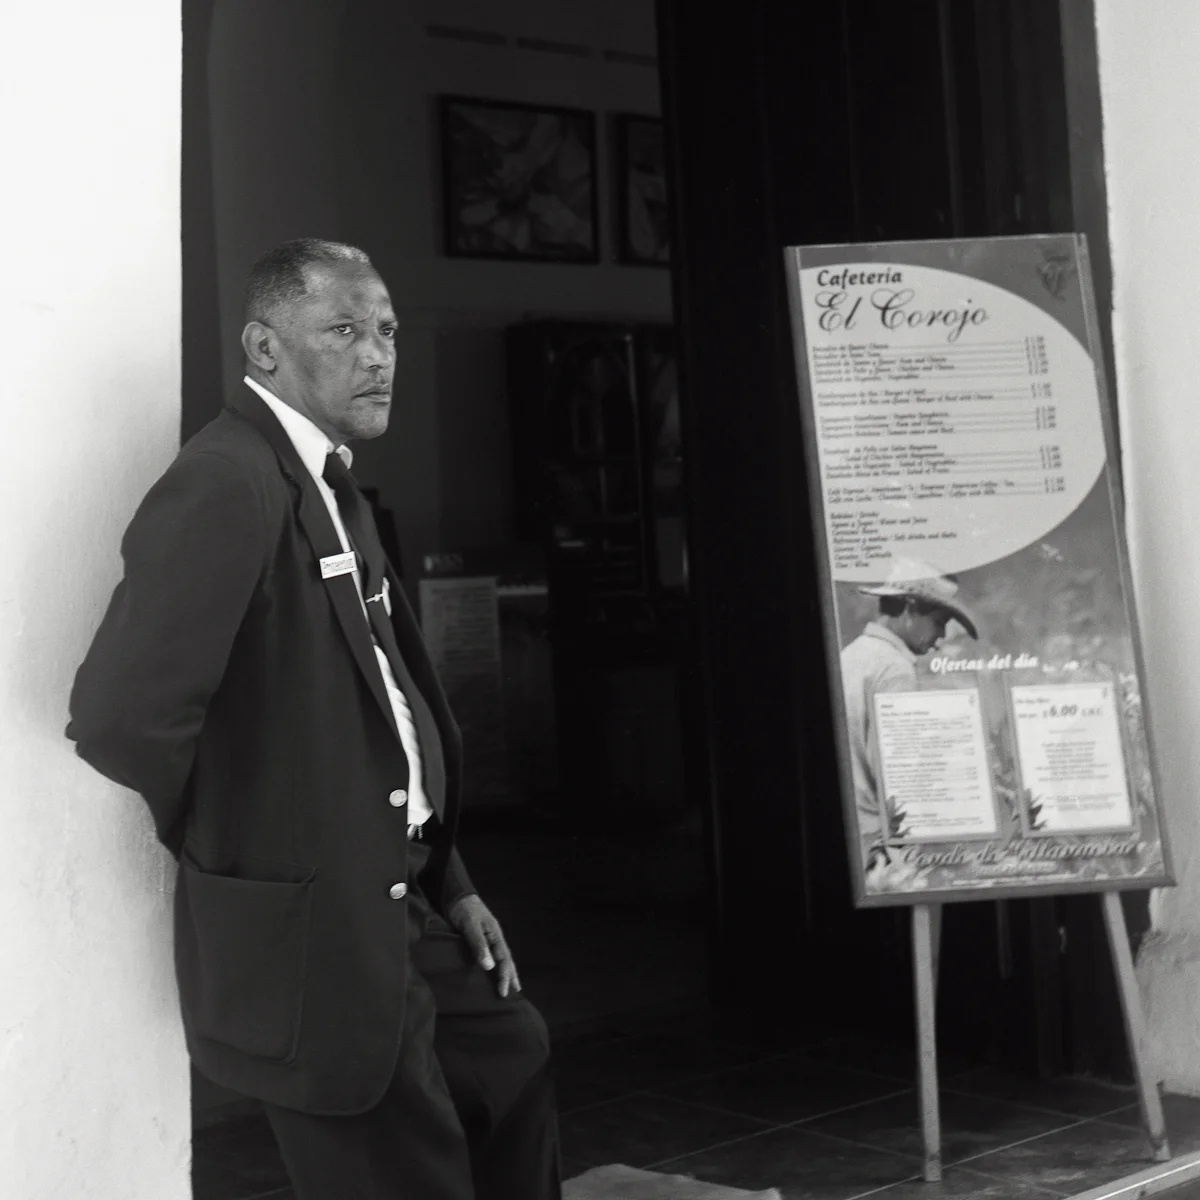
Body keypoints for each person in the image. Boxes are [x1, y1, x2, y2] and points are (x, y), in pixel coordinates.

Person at [66, 239, 560, 1200]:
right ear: (264, 348)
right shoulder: (226, 481)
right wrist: (251, 845)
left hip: (404, 901)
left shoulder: (333, 485)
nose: (378, 354)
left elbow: (386, 703)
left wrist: (445, 873)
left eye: (385, 331)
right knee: (394, 1165)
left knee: (512, 1061)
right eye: (343, 330)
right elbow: (120, 717)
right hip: (312, 936)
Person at [839, 558, 979, 861]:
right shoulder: (894, 668)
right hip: (879, 847)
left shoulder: (852, 656)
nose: (941, 637)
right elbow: (898, 773)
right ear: (910, 608)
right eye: (939, 622)